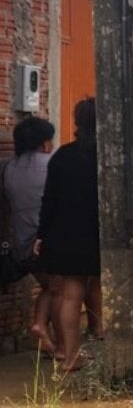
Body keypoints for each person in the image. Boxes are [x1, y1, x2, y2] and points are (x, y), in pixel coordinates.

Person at [32, 99, 101, 373]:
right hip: (100, 235)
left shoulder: (62, 155)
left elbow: (49, 200)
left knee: (71, 294)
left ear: (78, 122)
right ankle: (123, 353)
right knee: (106, 288)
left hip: (66, 234)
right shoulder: (112, 155)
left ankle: (69, 355)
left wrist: (42, 234)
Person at [4, 117, 60, 355]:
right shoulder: (53, 164)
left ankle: (43, 330)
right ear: (45, 143)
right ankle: (53, 338)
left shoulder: (7, 167)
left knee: (49, 286)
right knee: (61, 290)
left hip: (21, 243)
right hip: (49, 240)